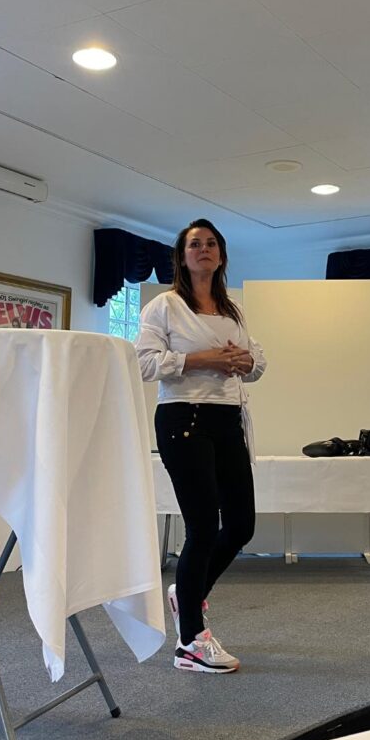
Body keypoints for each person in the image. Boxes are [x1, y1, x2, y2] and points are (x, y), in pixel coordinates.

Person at [136, 218, 266, 674]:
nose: (204, 249)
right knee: (204, 528)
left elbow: (258, 364)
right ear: (182, 255)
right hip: (183, 419)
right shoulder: (165, 306)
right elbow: (145, 364)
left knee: (242, 525)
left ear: (221, 255)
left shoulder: (234, 310)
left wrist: (245, 360)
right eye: (195, 244)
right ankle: (190, 642)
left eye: (211, 243)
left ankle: (187, 594)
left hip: (228, 419)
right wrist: (202, 359)